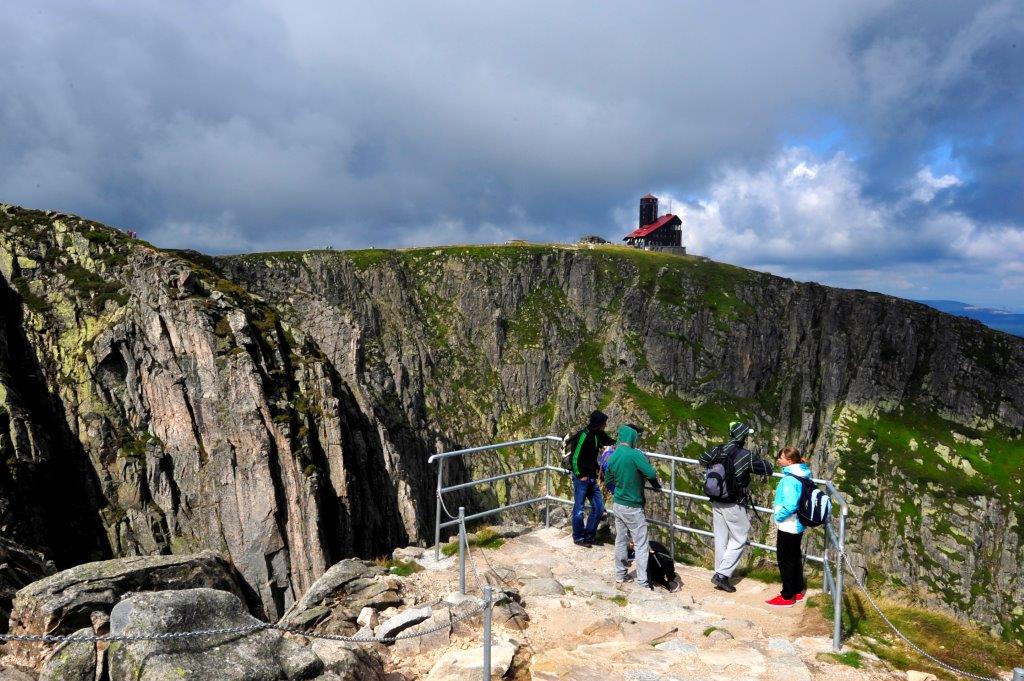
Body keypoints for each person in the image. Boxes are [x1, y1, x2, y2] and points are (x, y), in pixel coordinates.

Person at [699, 421, 772, 593]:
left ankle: (720, 571)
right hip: (734, 502)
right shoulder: (745, 455)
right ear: (744, 437)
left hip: (716, 500)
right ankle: (723, 575)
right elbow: (767, 469)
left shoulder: (717, 449)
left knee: (721, 537)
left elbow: (702, 459)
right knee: (740, 536)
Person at [605, 423, 661, 588]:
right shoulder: (634, 455)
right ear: (632, 438)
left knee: (621, 539)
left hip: (618, 504)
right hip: (633, 506)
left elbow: (608, 479)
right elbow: (651, 473)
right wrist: (655, 485)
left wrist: (617, 491)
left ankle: (620, 575)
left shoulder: (613, 455)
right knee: (641, 543)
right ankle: (643, 582)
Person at [766, 446, 810, 607]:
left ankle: (787, 596)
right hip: (798, 524)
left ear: (789, 461)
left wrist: (778, 516)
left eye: (781, 457)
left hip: (788, 524)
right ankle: (797, 591)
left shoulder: (789, 479)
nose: (778, 459)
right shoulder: (803, 473)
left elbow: (790, 504)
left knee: (785, 560)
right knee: (794, 557)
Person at [567, 410, 616, 546]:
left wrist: (619, 445)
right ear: (598, 423)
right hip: (582, 478)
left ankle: (589, 536)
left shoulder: (598, 434)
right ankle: (578, 537)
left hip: (591, 477)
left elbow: (608, 441)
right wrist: (579, 475)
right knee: (579, 509)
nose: (605, 425)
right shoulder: (584, 436)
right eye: (604, 423)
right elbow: (574, 457)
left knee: (599, 508)